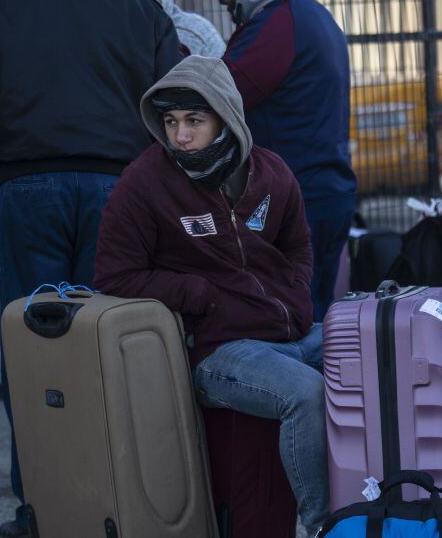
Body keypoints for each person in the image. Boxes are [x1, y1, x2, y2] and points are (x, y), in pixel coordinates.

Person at [0, 0, 183, 536]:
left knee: (33, 348)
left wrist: (3, 157)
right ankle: (117, 503)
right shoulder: (136, 10)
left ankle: (42, 509)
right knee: (110, 345)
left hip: (29, 190)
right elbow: (178, 97)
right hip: (120, 193)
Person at [94, 55, 328, 535]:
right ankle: (326, 525)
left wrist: (297, 290)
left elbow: (299, 245)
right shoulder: (145, 182)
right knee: (306, 395)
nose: (180, 136)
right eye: (171, 122)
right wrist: (198, 295)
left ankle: (386, 508)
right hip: (223, 349)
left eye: (194, 121)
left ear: (227, 117)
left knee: (377, 350)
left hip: (295, 331)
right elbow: (114, 276)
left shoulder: (271, 172)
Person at [206, 0, 356, 321]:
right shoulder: (310, 16)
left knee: (286, 323)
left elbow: (219, 98)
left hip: (296, 200)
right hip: (323, 193)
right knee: (313, 316)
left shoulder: (277, 25)